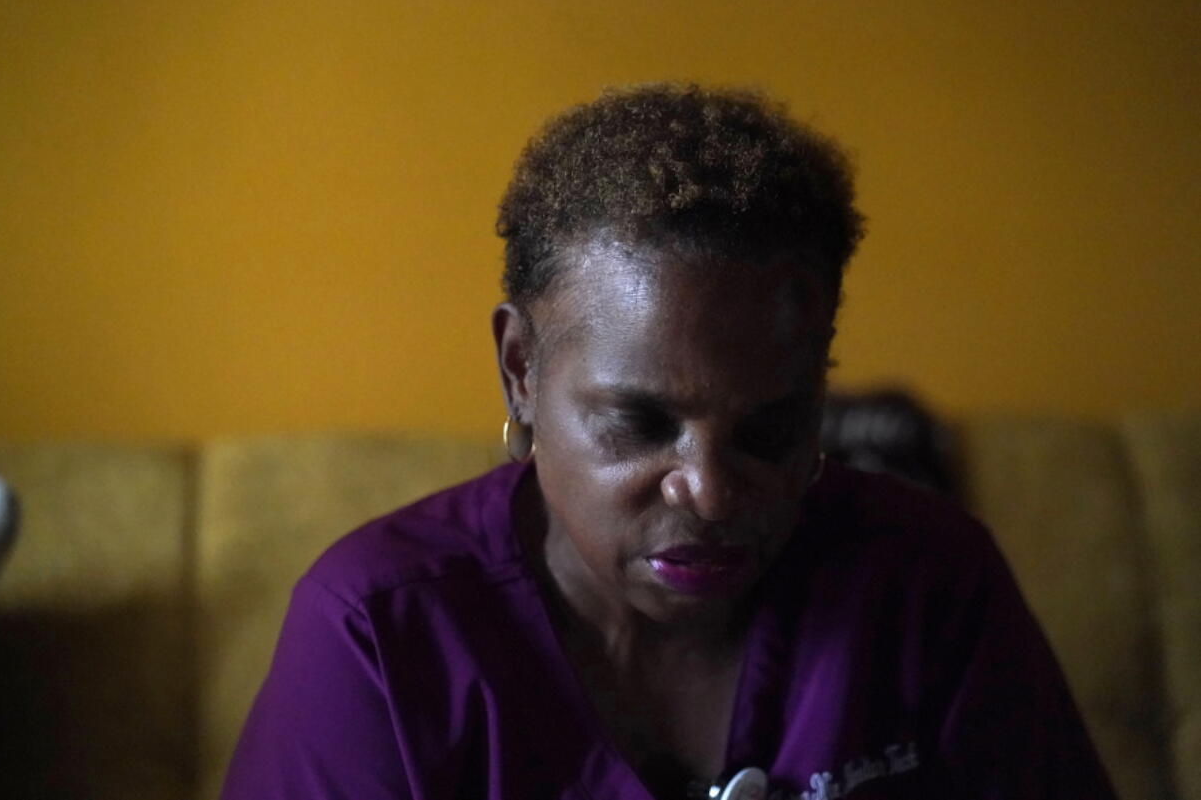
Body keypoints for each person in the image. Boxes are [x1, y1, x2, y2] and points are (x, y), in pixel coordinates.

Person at [221, 84, 1116, 799]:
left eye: (770, 430)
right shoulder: (380, 633)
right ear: (521, 369)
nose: (713, 493)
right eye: (639, 425)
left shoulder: (930, 586)